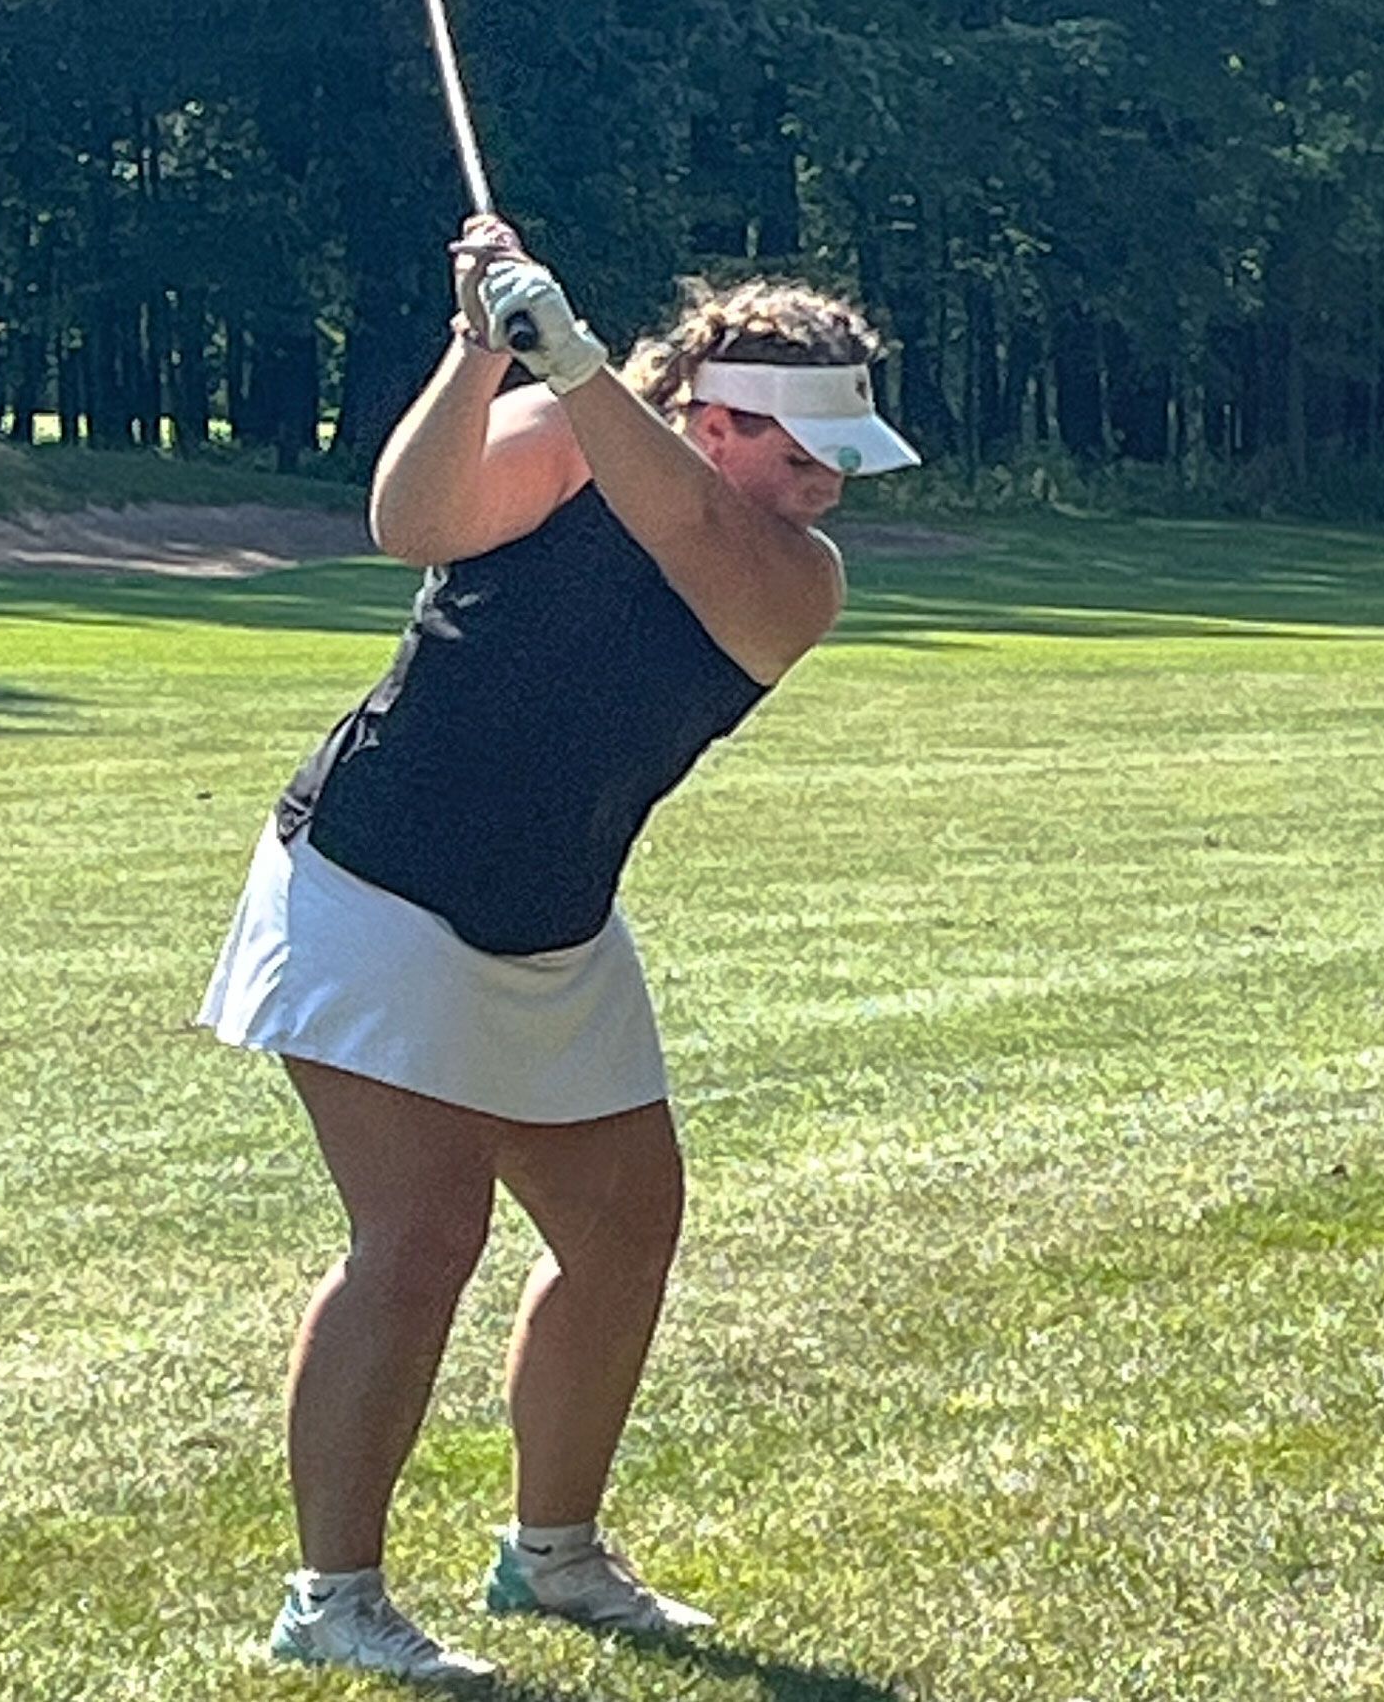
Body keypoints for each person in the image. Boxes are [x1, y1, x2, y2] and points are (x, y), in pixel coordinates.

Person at [198, 216, 920, 1680]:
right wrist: (479, 355)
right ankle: (330, 1597)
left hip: (551, 921)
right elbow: (409, 524)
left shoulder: (793, 574)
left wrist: (577, 359)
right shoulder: (556, 435)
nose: (825, 482)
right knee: (419, 1238)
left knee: (621, 1224)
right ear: (712, 417)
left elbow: (691, 534)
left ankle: (555, 1557)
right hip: (372, 879)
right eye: (799, 453)